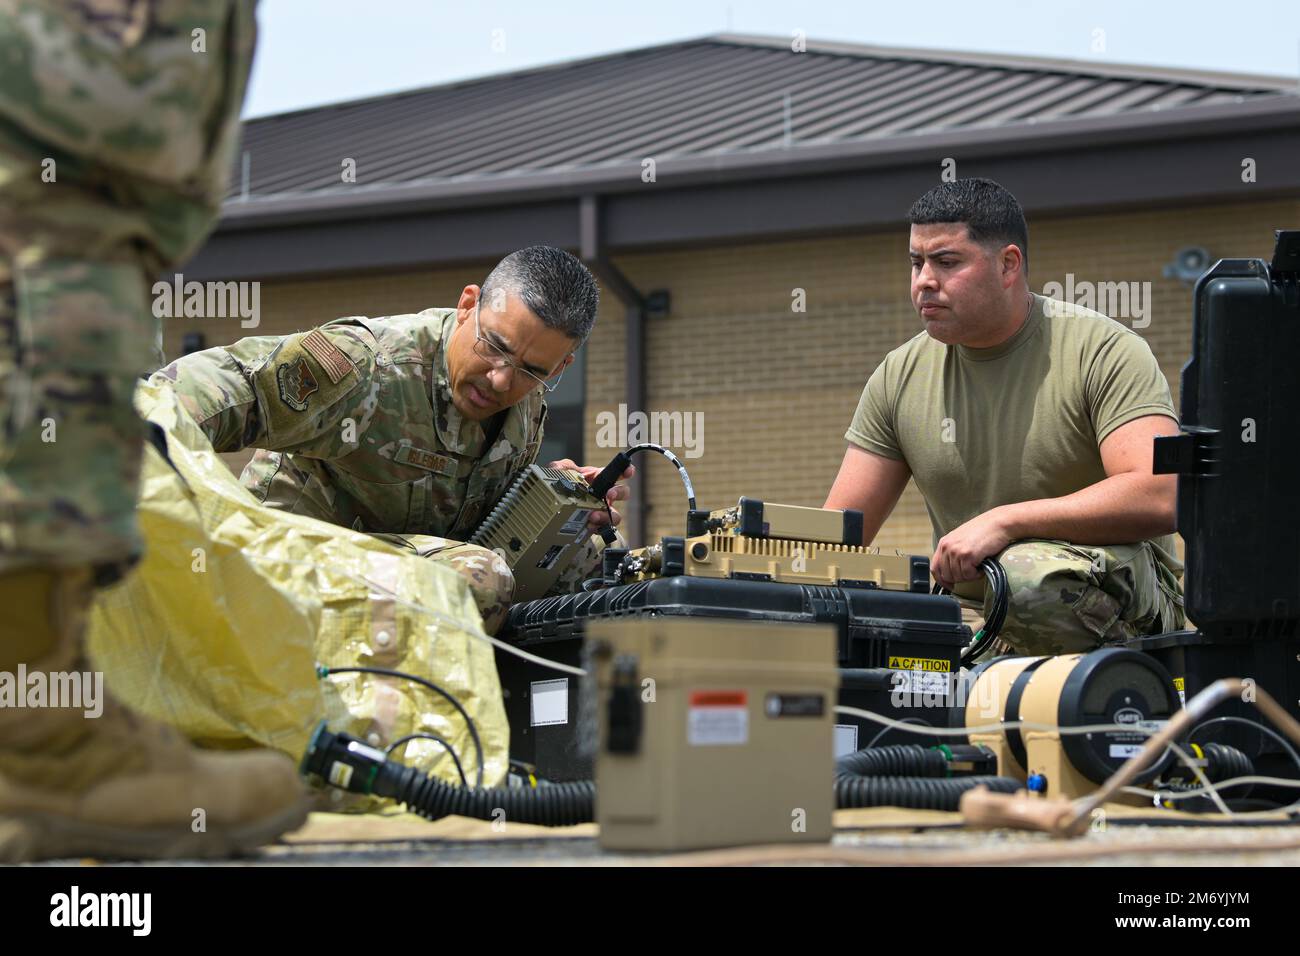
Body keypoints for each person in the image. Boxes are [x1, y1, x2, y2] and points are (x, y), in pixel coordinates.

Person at [0, 0, 309, 862]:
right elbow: (210, 388)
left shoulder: (522, 422)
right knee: (58, 216)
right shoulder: (378, 359)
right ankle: (36, 741)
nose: (513, 380)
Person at [152, 245, 633, 633]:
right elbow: (190, 392)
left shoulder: (525, 407)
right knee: (476, 579)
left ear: (561, 366)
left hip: (385, 586)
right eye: (495, 348)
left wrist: (554, 500)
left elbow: (470, 517)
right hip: (274, 574)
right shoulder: (365, 366)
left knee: (599, 566)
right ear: (468, 306)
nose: (502, 381)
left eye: (531, 370)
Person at [825, 178, 1184, 656]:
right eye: (916, 262)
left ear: (1008, 264)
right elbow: (838, 538)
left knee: (1025, 577)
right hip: (979, 626)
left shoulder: (1102, 351)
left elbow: (1160, 494)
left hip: (1130, 615)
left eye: (947, 262)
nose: (924, 281)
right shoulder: (899, 375)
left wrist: (1005, 522)